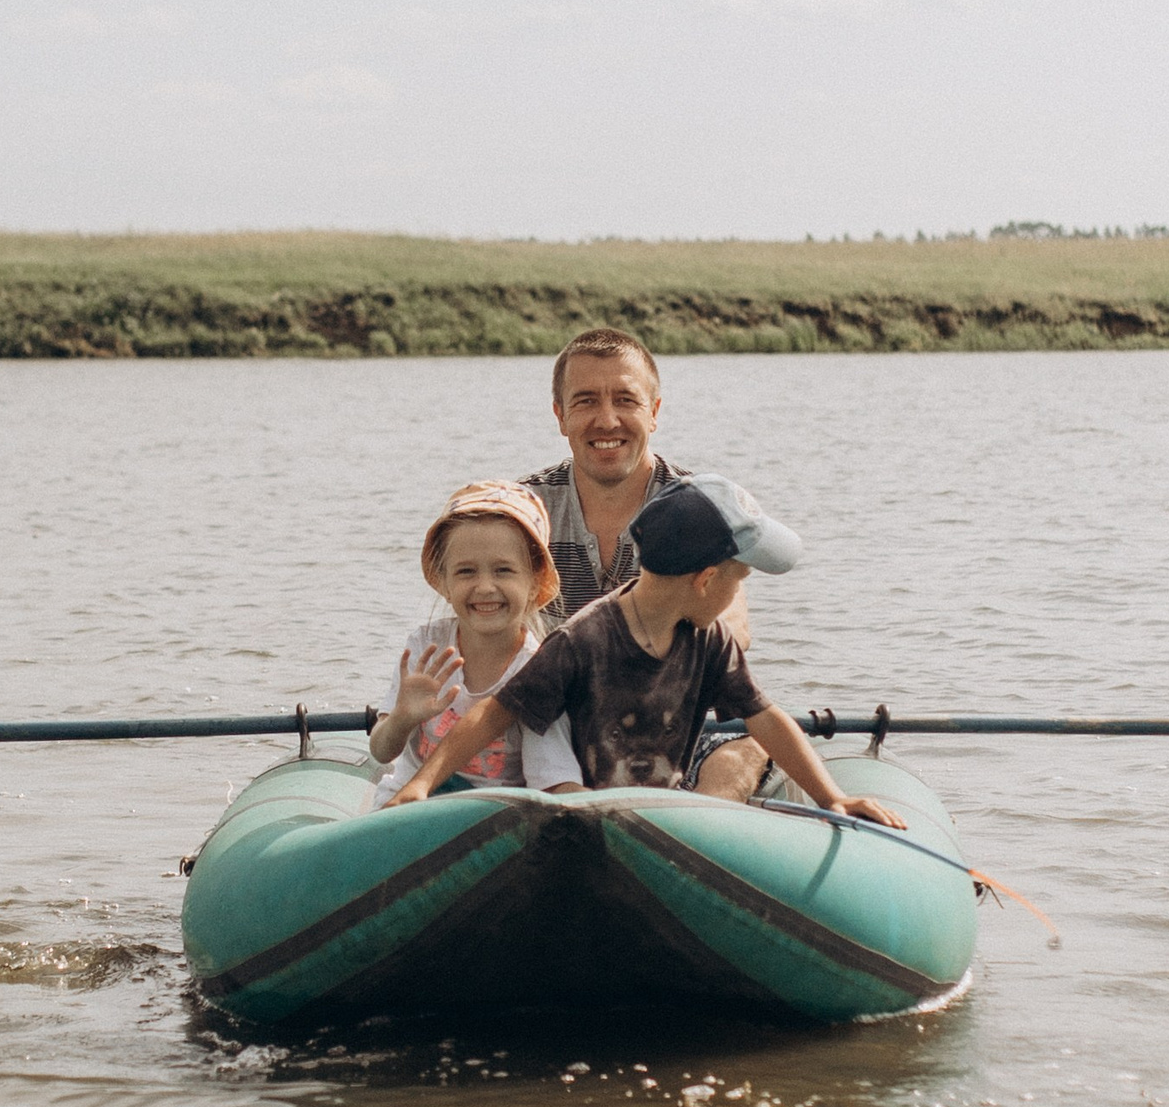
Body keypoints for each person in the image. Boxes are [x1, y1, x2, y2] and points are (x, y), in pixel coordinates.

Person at [383, 474, 904, 828]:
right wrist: (425, 781)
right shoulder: (581, 640)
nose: (738, 593)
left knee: (740, 758)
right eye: (739, 579)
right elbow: (495, 715)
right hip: (590, 807)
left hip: (657, 805)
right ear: (705, 580)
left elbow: (764, 718)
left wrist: (831, 798)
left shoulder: (709, 638)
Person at [521, 327, 766, 797]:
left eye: (626, 400)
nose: (607, 420)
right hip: (554, 722)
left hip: (670, 722)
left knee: (746, 749)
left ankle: (694, 841)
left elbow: (735, 626)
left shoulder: (699, 505)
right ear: (560, 416)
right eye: (586, 401)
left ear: (653, 413)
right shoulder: (525, 510)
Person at [368, 481, 583, 804]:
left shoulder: (538, 670)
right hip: (409, 805)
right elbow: (382, 751)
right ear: (444, 580)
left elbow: (551, 780)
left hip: (490, 819)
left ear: (534, 579)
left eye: (503, 571)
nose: (485, 587)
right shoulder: (427, 646)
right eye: (466, 572)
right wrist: (402, 717)